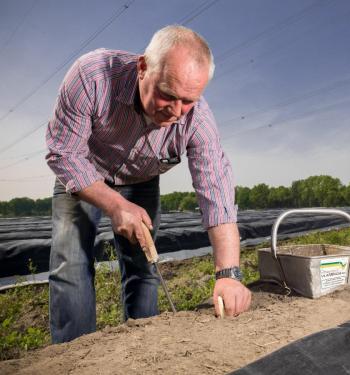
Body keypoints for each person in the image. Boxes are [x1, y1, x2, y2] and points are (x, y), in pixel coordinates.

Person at [45, 25, 251, 344]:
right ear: (143, 67)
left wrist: (229, 274)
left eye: (188, 101)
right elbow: (63, 152)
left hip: (141, 180)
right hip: (84, 174)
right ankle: (75, 354)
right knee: (71, 263)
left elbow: (217, 193)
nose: (175, 111)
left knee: (144, 265)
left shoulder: (198, 120)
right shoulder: (92, 75)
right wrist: (115, 204)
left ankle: (145, 348)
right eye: (167, 94)